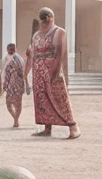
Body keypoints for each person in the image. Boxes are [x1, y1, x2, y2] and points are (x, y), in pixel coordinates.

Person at [24, 7, 79, 139]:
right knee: (41, 100)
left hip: (52, 70)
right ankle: (47, 127)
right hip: (38, 72)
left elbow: (61, 53)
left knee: (60, 99)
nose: (45, 21)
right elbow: (33, 53)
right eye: (42, 19)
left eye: (47, 18)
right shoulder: (36, 35)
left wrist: (57, 70)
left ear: (52, 17)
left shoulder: (59, 32)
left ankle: (73, 126)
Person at [0, 43, 25, 128]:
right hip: (10, 84)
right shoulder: (6, 59)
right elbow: (3, 72)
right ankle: (15, 119)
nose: (11, 51)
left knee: (18, 103)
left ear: (15, 49)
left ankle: (16, 120)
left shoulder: (18, 59)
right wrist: (3, 85)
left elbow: (22, 71)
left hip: (18, 83)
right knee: (9, 103)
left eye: (12, 49)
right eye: (9, 49)